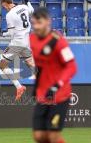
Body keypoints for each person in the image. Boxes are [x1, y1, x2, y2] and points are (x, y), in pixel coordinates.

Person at [30, 7, 77, 143]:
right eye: (34, 23)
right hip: (43, 95)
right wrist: (36, 86)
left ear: (48, 21)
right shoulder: (32, 39)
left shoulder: (58, 41)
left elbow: (72, 67)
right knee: (39, 136)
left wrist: (57, 85)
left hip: (60, 95)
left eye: (39, 23)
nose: (36, 26)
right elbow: (40, 65)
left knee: (53, 136)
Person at [0, 0, 36, 100]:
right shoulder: (23, 7)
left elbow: (11, 33)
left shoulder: (9, 15)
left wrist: (4, 34)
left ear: (6, 4)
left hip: (17, 43)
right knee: (30, 63)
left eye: (3, 6)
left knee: (2, 65)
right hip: (26, 41)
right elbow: (32, 11)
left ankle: (19, 87)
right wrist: (28, 2)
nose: (4, 8)